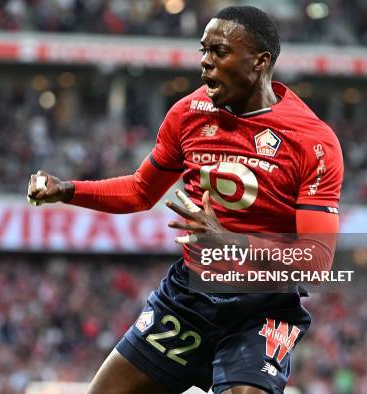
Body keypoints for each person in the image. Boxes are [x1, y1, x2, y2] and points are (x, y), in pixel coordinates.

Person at [27, 5, 343, 394]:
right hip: (188, 300)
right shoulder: (188, 114)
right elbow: (141, 192)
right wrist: (68, 190)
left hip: (262, 309)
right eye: (203, 51)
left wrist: (231, 242)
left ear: (260, 61)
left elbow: (318, 261)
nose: (206, 64)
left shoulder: (312, 140)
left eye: (220, 52)